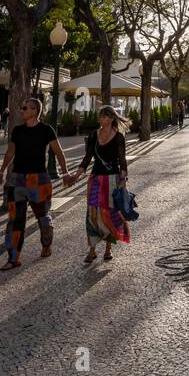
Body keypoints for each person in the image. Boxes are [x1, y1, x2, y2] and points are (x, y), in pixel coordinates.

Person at [0, 96, 71, 270]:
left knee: (43, 217)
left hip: (40, 180)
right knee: (15, 220)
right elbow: (10, 152)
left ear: (35, 111)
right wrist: (1, 171)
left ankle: (46, 244)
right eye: (22, 108)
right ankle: (13, 258)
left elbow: (58, 152)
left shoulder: (46, 130)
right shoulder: (17, 130)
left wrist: (65, 172)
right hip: (17, 180)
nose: (22, 110)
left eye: (25, 108)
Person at [71, 106, 130, 264]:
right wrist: (76, 175)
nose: (101, 120)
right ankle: (92, 250)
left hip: (112, 179)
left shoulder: (118, 137)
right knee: (92, 213)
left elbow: (122, 160)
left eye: (104, 117)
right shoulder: (92, 135)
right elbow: (87, 157)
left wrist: (124, 178)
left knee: (109, 212)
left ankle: (108, 249)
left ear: (111, 119)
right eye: (100, 117)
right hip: (96, 178)